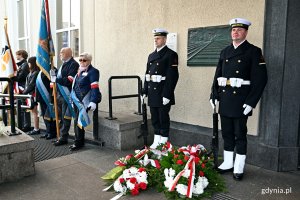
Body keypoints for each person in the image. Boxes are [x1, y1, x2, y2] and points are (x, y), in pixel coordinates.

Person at [209, 18, 268, 180]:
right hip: (225, 100)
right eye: (233, 30)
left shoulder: (254, 51)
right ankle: (228, 162)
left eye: (239, 30)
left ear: (246, 32)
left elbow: (261, 79)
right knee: (227, 133)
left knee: (239, 134)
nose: (235, 32)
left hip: (241, 102)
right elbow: (217, 76)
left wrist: (251, 102)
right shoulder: (225, 51)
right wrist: (214, 95)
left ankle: (239, 165)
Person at [142, 28, 179, 149]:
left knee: (163, 117)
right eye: (155, 39)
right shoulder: (151, 55)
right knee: (154, 118)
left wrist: (167, 94)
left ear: (164, 39)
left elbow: (173, 76)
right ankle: (156, 140)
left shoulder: (171, 54)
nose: (156, 41)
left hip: (163, 92)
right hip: (153, 92)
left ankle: (163, 141)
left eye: (158, 38)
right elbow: (147, 74)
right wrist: (144, 90)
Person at [69, 52, 101, 151]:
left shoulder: (93, 71)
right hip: (76, 100)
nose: (82, 62)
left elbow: (95, 87)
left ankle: (78, 142)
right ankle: (78, 140)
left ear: (89, 61)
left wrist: (93, 101)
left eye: (84, 60)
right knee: (76, 120)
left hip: (84, 101)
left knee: (79, 120)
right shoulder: (79, 71)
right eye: (80, 60)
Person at [53, 47, 79, 146]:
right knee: (63, 117)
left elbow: (69, 81)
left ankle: (70, 139)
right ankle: (62, 137)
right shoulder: (64, 64)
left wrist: (56, 79)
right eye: (60, 52)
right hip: (61, 95)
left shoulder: (73, 64)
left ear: (69, 53)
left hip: (70, 95)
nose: (60, 53)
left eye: (62, 52)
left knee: (70, 117)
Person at [36, 67, 57, 140]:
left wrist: (52, 97)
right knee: (45, 116)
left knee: (50, 117)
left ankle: (52, 132)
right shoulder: (41, 70)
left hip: (49, 97)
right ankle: (48, 131)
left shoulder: (52, 69)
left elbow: (53, 84)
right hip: (42, 98)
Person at [23, 57, 40, 135]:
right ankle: (36, 128)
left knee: (35, 112)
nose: (28, 64)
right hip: (31, 94)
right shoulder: (32, 72)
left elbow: (31, 85)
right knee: (34, 112)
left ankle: (36, 129)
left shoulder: (35, 72)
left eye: (29, 63)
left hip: (34, 95)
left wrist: (23, 93)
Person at [15, 50, 31, 132]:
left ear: (21, 55)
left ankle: (26, 125)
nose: (16, 56)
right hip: (21, 88)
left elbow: (20, 77)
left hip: (23, 88)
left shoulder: (24, 65)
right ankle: (22, 124)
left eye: (17, 55)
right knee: (21, 107)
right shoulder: (22, 65)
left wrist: (14, 76)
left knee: (24, 108)